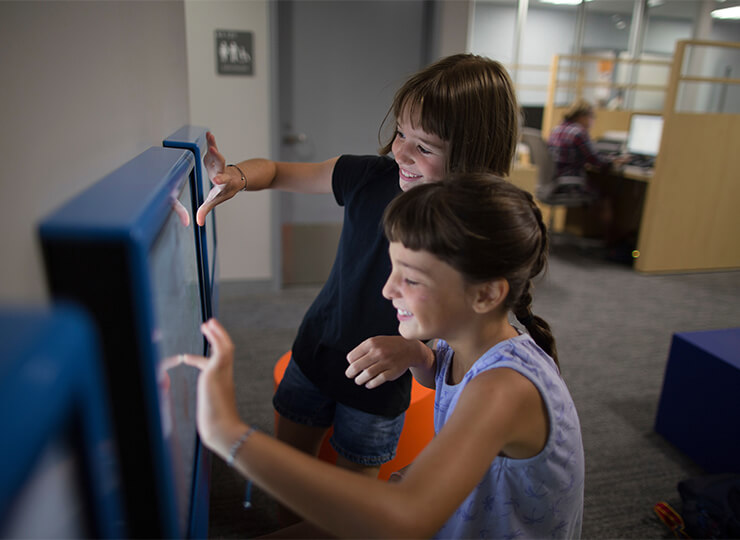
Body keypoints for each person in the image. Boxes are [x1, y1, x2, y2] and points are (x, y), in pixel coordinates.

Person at [182, 175, 585, 539]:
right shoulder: (467, 337)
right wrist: (417, 356)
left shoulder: (502, 389)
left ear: (485, 294)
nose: (388, 289)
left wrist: (228, 434)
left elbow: (404, 519)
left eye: (410, 278)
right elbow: (446, 380)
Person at [195, 54, 520, 483]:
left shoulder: (476, 236)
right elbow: (275, 171)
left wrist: (415, 352)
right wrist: (236, 176)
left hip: (380, 384)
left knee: (352, 505)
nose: (400, 150)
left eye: (423, 147)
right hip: (316, 350)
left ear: (471, 157)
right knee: (289, 481)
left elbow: (469, 356)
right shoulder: (369, 176)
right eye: (401, 132)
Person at [547, 98, 626, 182]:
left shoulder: (556, 129)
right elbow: (596, 160)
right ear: (582, 116)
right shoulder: (578, 132)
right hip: (571, 181)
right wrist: (613, 162)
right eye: (592, 116)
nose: (593, 121)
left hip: (554, 180)